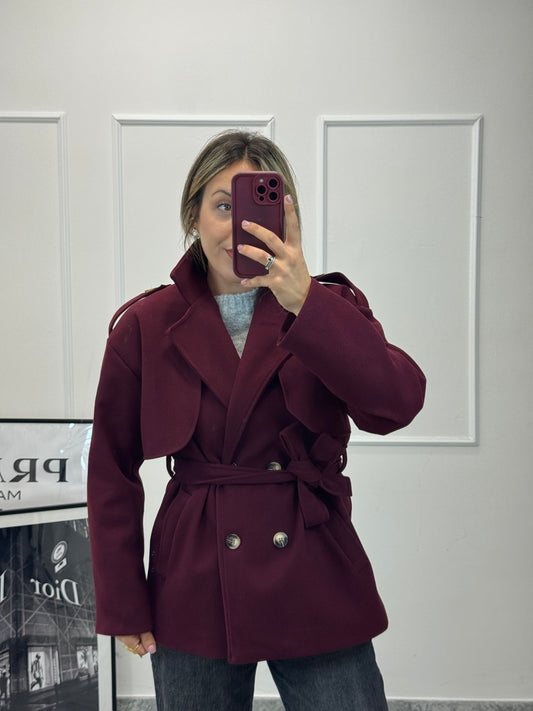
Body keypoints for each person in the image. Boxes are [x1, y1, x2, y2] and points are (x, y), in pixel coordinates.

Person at [87, 130, 426, 710]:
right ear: (193, 215)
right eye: (223, 206)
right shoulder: (145, 324)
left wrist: (306, 303)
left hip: (313, 561)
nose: (239, 226)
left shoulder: (327, 307)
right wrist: (122, 600)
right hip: (195, 574)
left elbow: (396, 405)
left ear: (285, 216)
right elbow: (111, 469)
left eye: (257, 208)